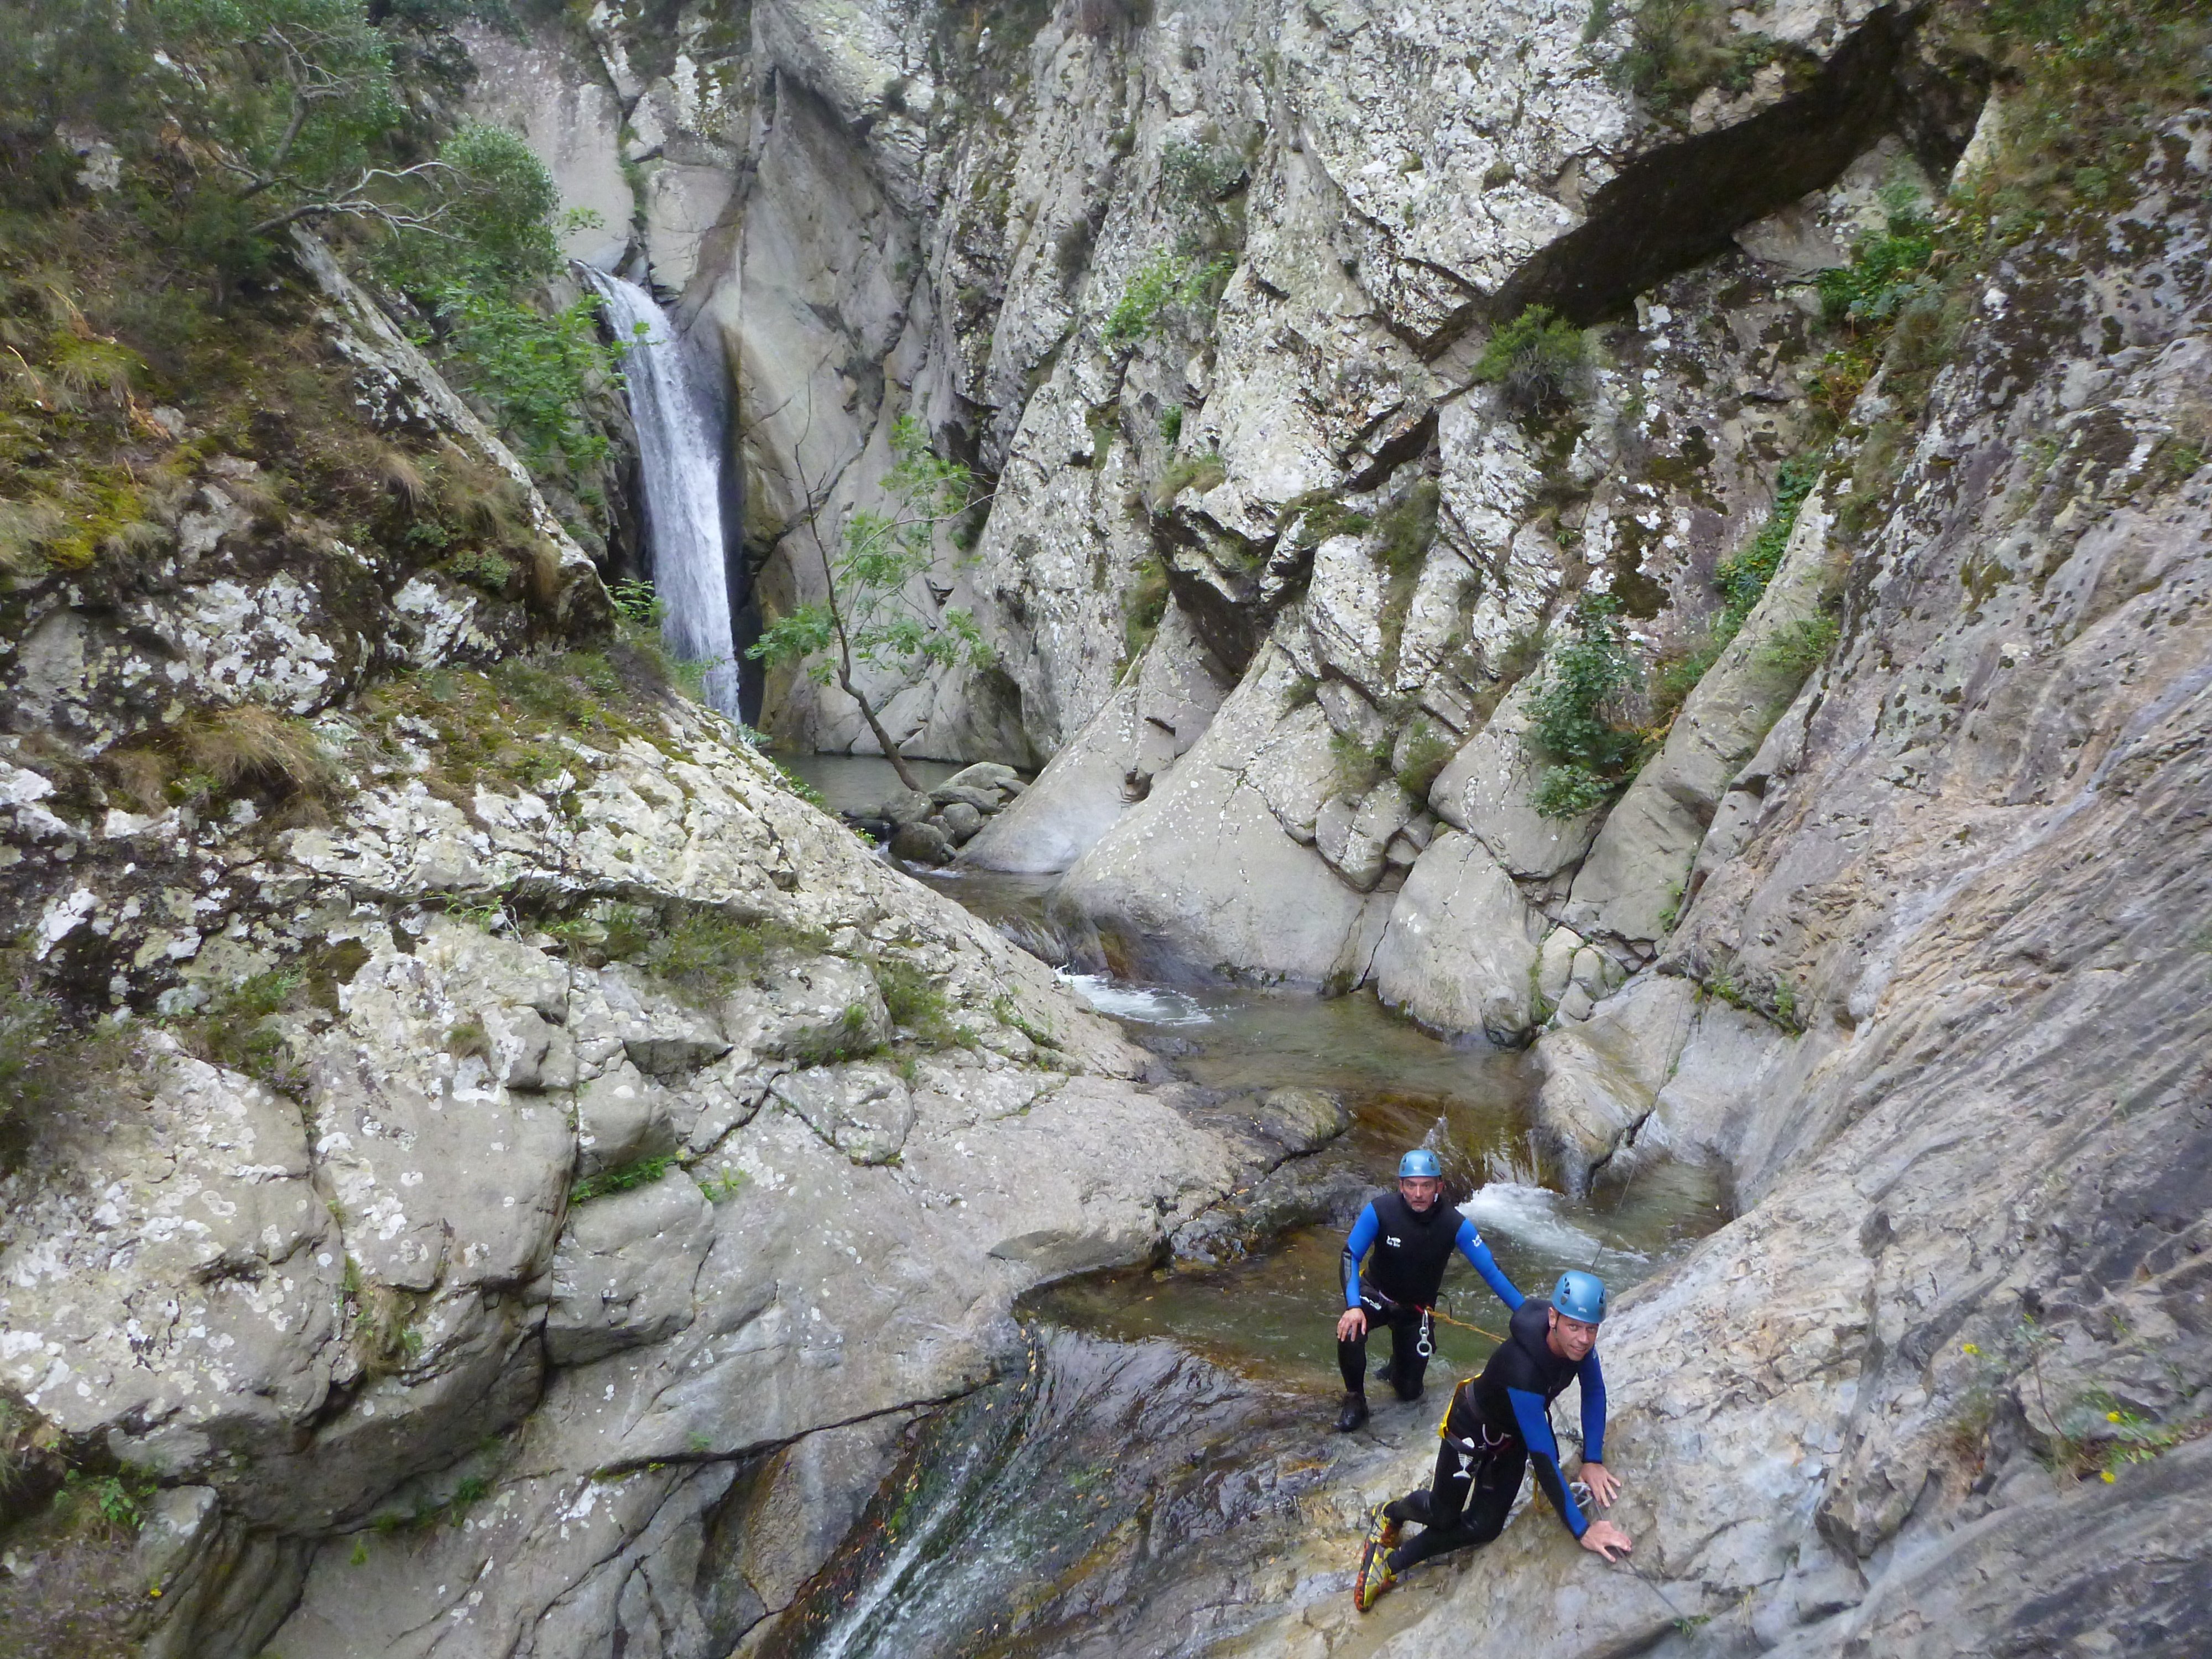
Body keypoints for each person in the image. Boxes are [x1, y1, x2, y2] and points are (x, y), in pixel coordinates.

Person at [1353, 1269, 1631, 1611]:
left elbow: (1594, 1391)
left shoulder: (1581, 1346)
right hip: (1471, 1426)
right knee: (1443, 1514)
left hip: (1512, 1438)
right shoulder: (1522, 1370)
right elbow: (1543, 1457)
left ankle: (1393, 1564)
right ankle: (1392, 1513)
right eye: (1575, 1327)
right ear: (1553, 1318)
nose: (1584, 1339)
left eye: (1591, 1330)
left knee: (1484, 1527)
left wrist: (1593, 1459)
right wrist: (1582, 1530)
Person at [1334, 1148, 1523, 1432]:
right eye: (1411, 1185)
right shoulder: (1380, 1211)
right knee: (1350, 1329)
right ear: (1401, 1186)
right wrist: (1352, 1305)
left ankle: (1397, 1365)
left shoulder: (1455, 1224)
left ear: (1439, 1187)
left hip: (1416, 1309)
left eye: (1426, 1185)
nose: (1418, 1193)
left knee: (1408, 1391)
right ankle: (1355, 1398)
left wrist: (1526, 1314)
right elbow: (1350, 1255)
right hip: (1376, 1294)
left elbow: (1491, 1272)